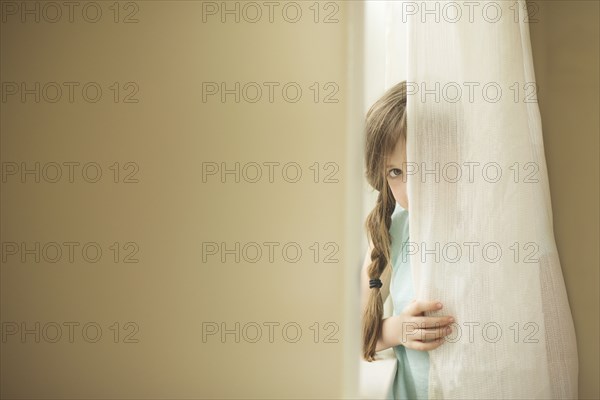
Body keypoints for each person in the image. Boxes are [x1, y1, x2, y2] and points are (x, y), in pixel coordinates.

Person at [360, 80, 454, 400]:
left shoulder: (479, 225)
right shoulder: (391, 232)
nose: (410, 186)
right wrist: (398, 330)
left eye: (419, 167)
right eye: (395, 172)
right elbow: (358, 335)